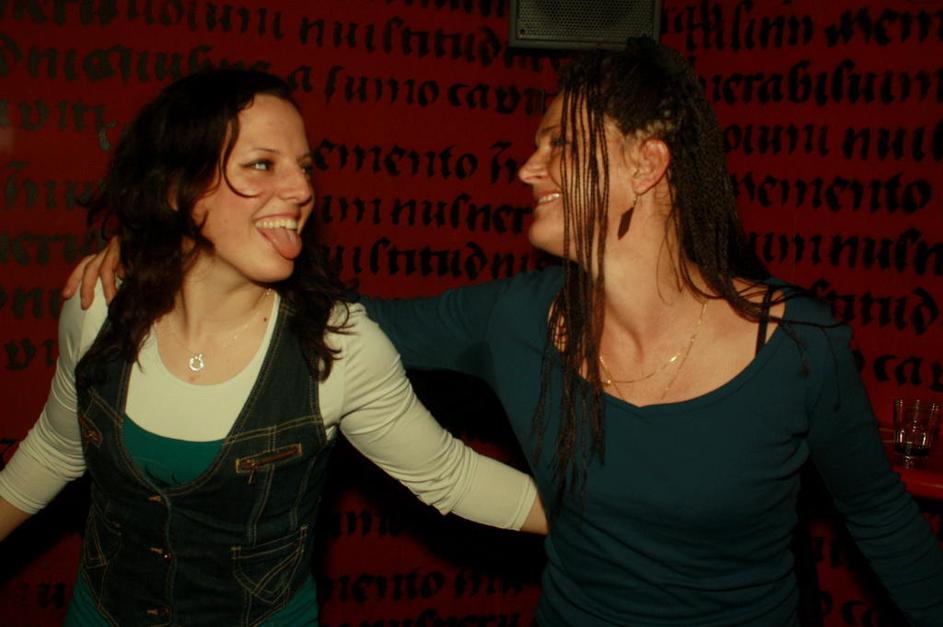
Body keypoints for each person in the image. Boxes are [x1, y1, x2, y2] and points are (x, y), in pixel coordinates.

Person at [67, 39, 943, 626]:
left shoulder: (796, 347)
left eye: (558, 144)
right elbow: (334, 322)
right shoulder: (516, 317)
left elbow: (879, 516)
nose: (526, 168)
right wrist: (175, 247)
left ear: (647, 164)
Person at [0, 68, 546, 626]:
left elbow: (452, 476)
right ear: (177, 187)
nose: (302, 190)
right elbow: (56, 449)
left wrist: (597, 513)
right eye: (262, 164)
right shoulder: (97, 308)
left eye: (304, 167)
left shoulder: (336, 347)